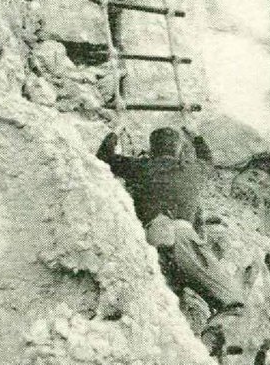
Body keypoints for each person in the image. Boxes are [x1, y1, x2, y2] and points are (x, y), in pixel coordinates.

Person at [97, 127, 244, 314]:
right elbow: (208, 160)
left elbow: (103, 157)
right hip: (186, 241)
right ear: (177, 150)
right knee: (231, 302)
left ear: (152, 150)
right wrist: (196, 136)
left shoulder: (140, 167)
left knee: (161, 309)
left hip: (152, 244)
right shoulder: (193, 170)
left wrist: (114, 133)